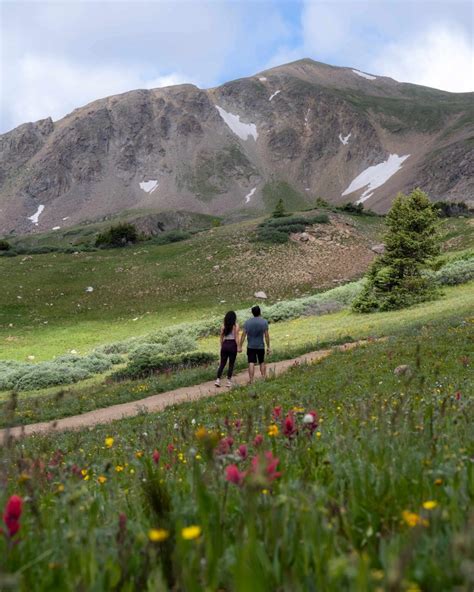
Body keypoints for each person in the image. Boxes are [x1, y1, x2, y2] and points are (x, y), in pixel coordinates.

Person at [239, 305, 271, 383]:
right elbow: (266, 335)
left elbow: (243, 335)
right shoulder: (264, 322)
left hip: (250, 346)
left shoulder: (247, 322)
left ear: (252, 313)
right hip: (260, 345)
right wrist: (268, 346)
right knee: (262, 362)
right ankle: (263, 378)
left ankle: (251, 380)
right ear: (260, 312)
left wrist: (240, 346)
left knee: (251, 362)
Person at [215, 311, 240, 387]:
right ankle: (228, 381)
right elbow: (236, 338)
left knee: (222, 363)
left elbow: (221, 338)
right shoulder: (236, 326)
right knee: (231, 364)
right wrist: (238, 347)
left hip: (225, 344)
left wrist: (222, 346)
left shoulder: (223, 326)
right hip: (232, 344)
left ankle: (218, 380)